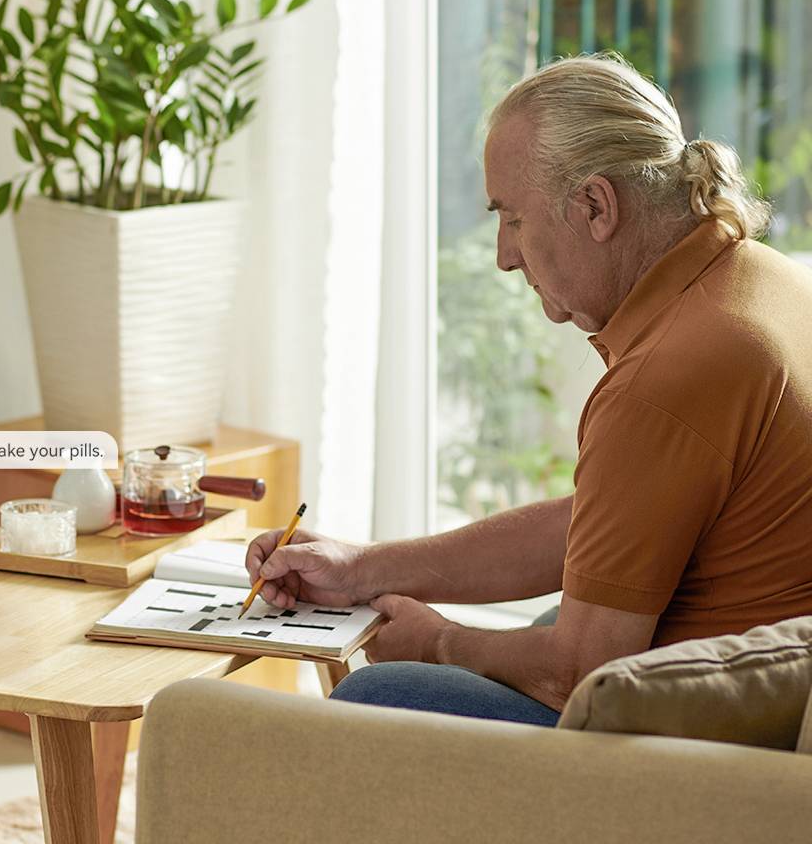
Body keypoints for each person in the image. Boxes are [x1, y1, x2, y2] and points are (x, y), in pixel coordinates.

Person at [247, 52, 812, 727]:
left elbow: (579, 672)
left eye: (511, 217)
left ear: (595, 205)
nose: (503, 254)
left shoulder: (670, 374)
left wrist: (439, 643)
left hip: (699, 744)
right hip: (749, 685)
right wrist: (365, 568)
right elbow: (611, 519)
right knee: (537, 620)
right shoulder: (760, 282)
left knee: (376, 698)